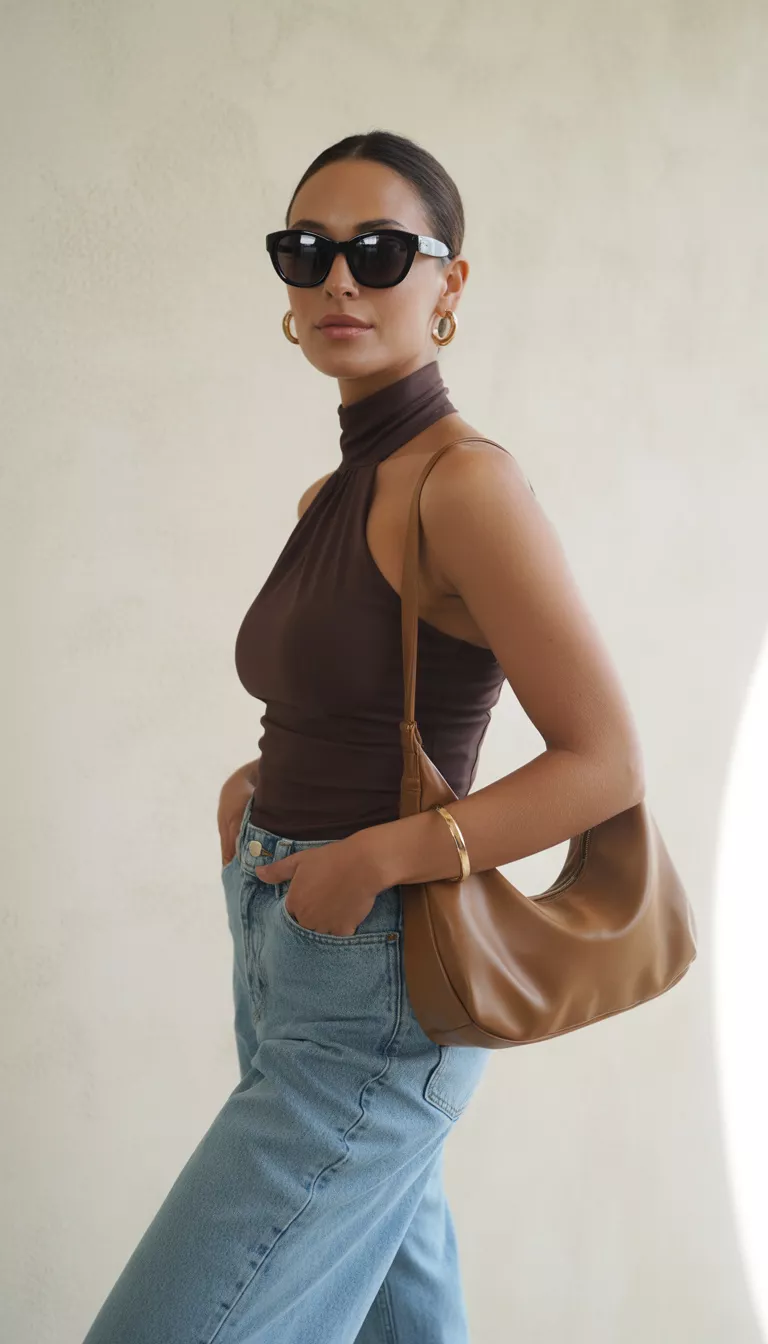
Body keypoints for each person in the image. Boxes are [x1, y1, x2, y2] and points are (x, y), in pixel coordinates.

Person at [82, 130, 644, 1343]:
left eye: (381, 251)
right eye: (308, 251)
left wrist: (373, 857)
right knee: (404, 1318)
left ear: (449, 283)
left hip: (375, 970)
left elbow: (604, 764)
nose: (339, 278)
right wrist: (255, 795)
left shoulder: (465, 485)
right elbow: (339, 699)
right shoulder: (333, 495)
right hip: (283, 932)